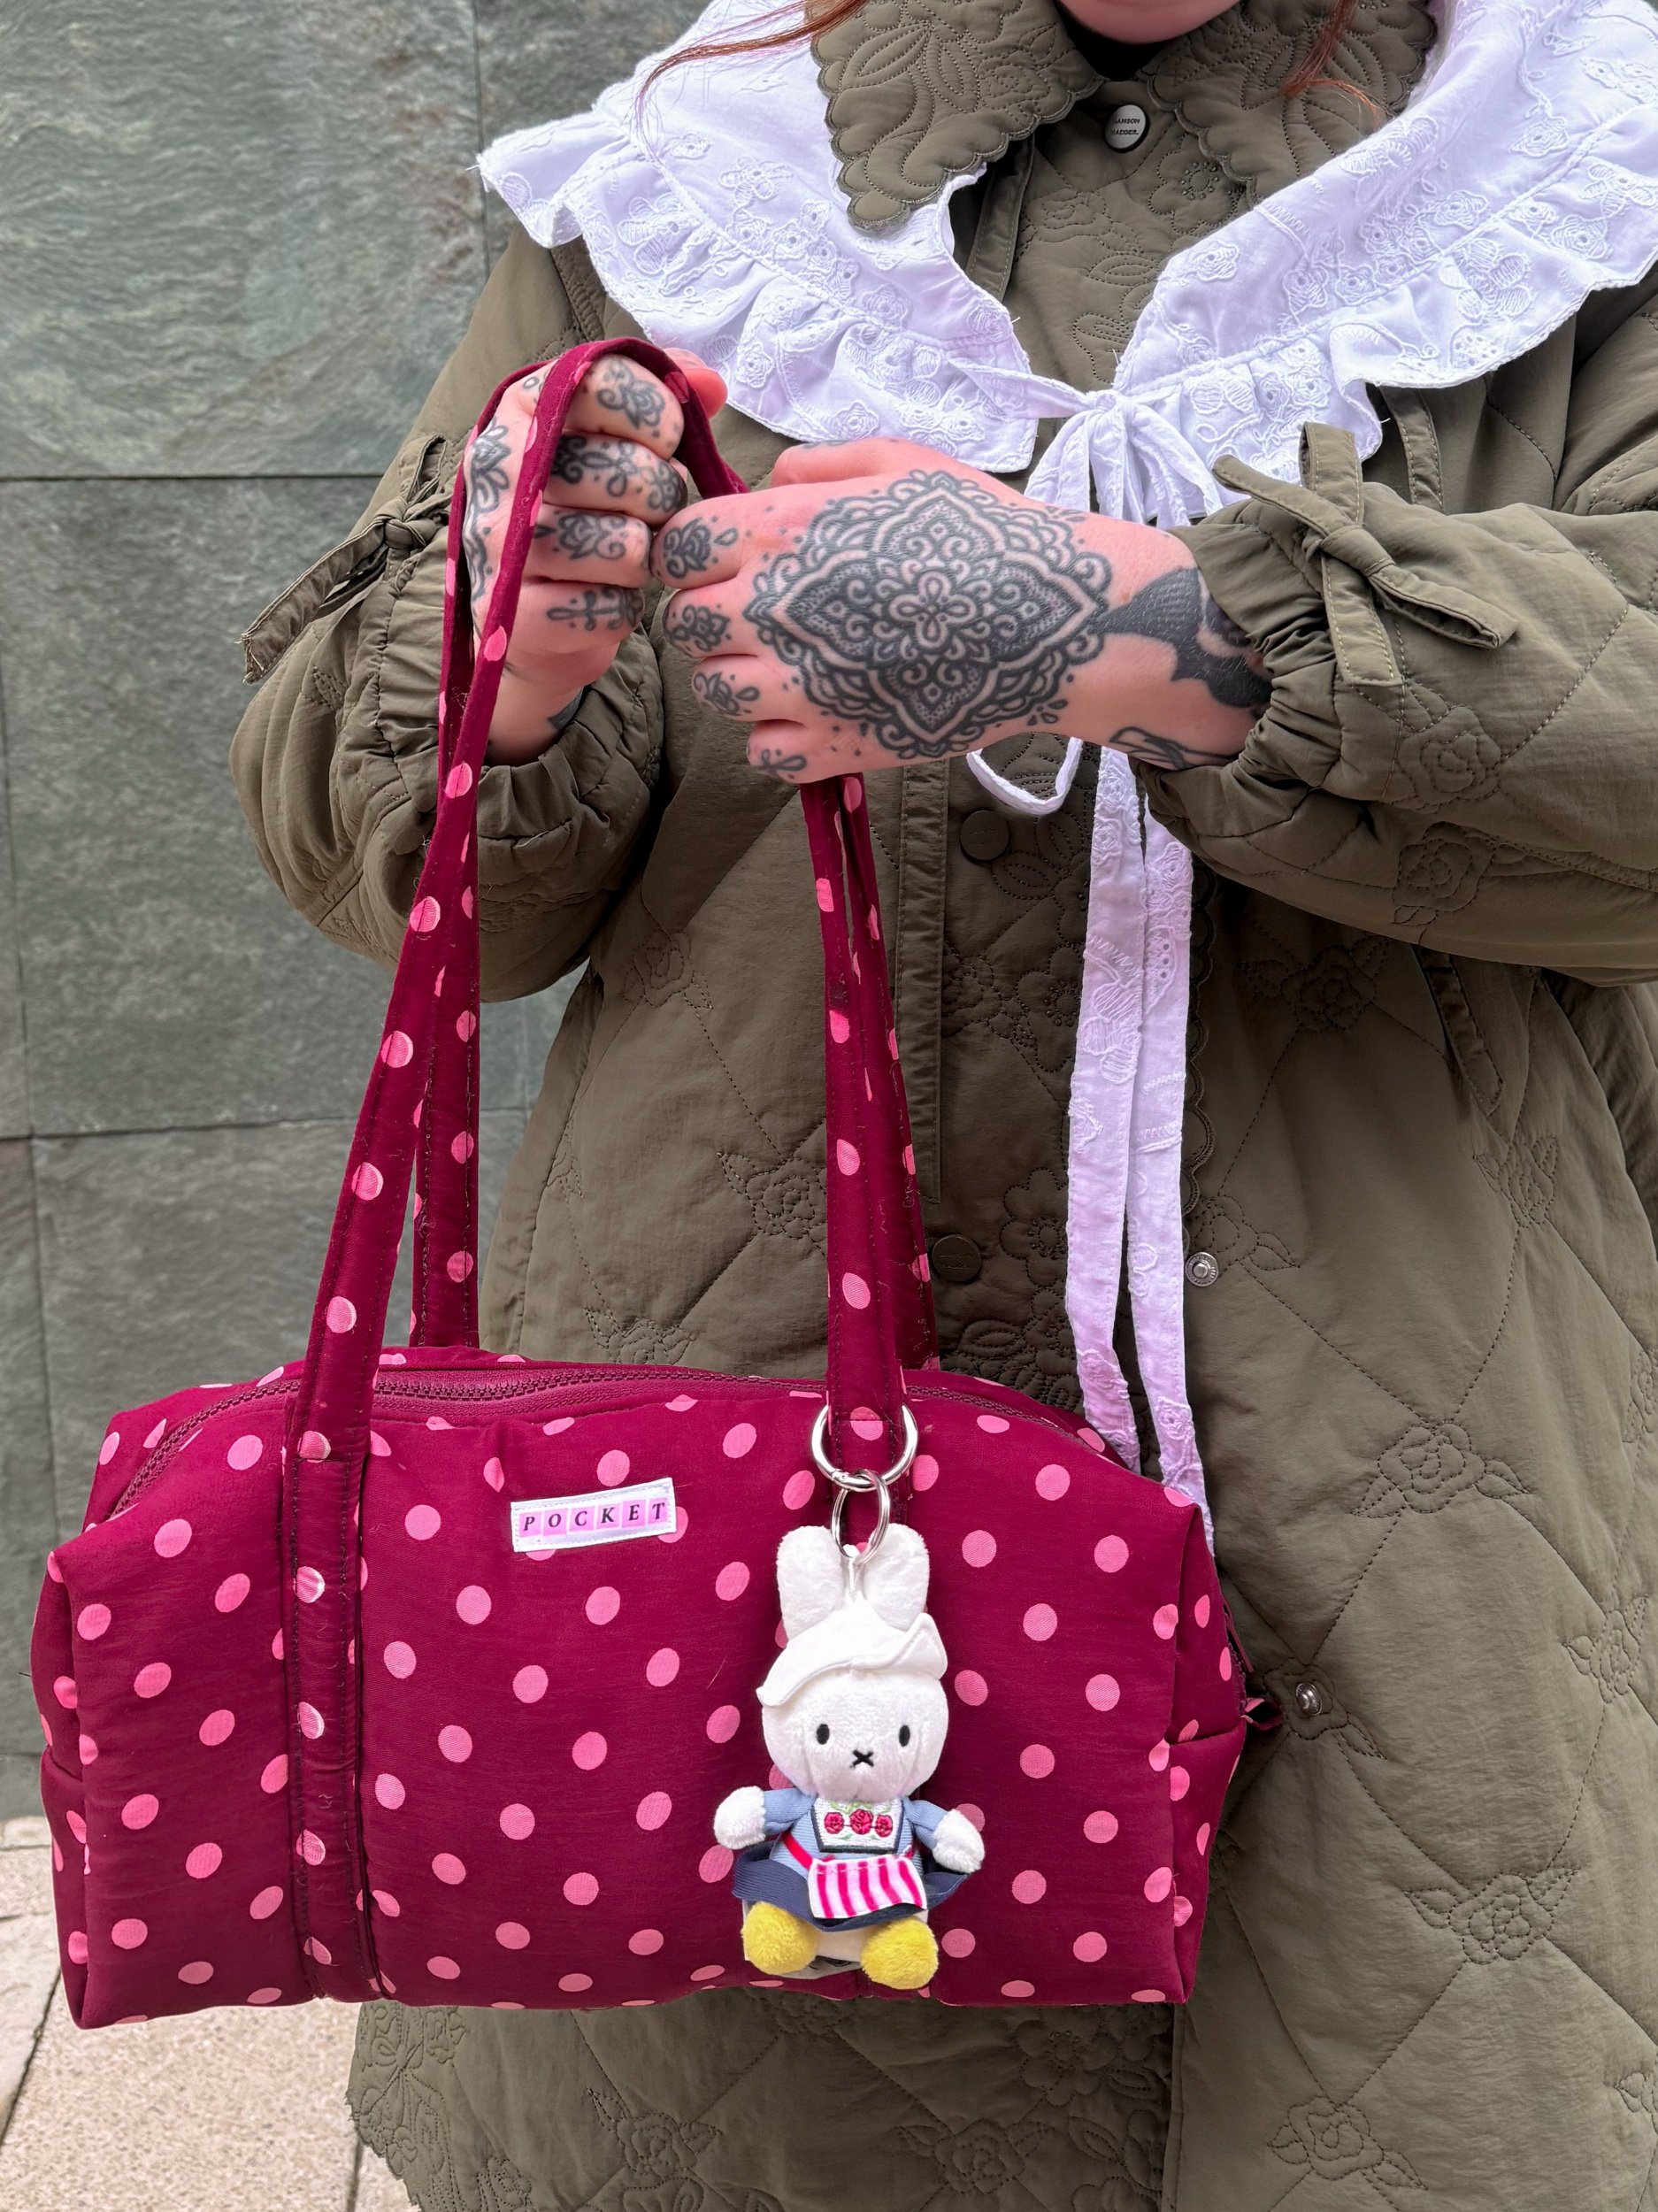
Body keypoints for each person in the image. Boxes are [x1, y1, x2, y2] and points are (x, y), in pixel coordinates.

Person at [231, 0, 1658, 2203]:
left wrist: (1150, 629)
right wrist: (500, 664)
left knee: (1395, 2053)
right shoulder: (691, 182)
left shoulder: (1581, 169)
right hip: (725, 1416)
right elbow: (416, 878)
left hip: (1420, 1434)